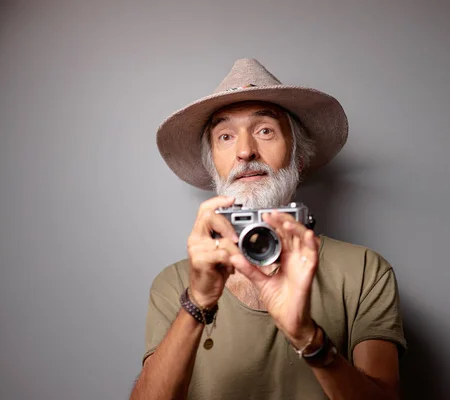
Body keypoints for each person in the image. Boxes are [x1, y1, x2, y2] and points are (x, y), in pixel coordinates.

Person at [131, 59, 406, 400]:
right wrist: (197, 302)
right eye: (226, 136)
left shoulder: (364, 271)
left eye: (265, 130)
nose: (245, 152)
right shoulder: (174, 284)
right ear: (212, 166)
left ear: (298, 158)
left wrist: (308, 337)